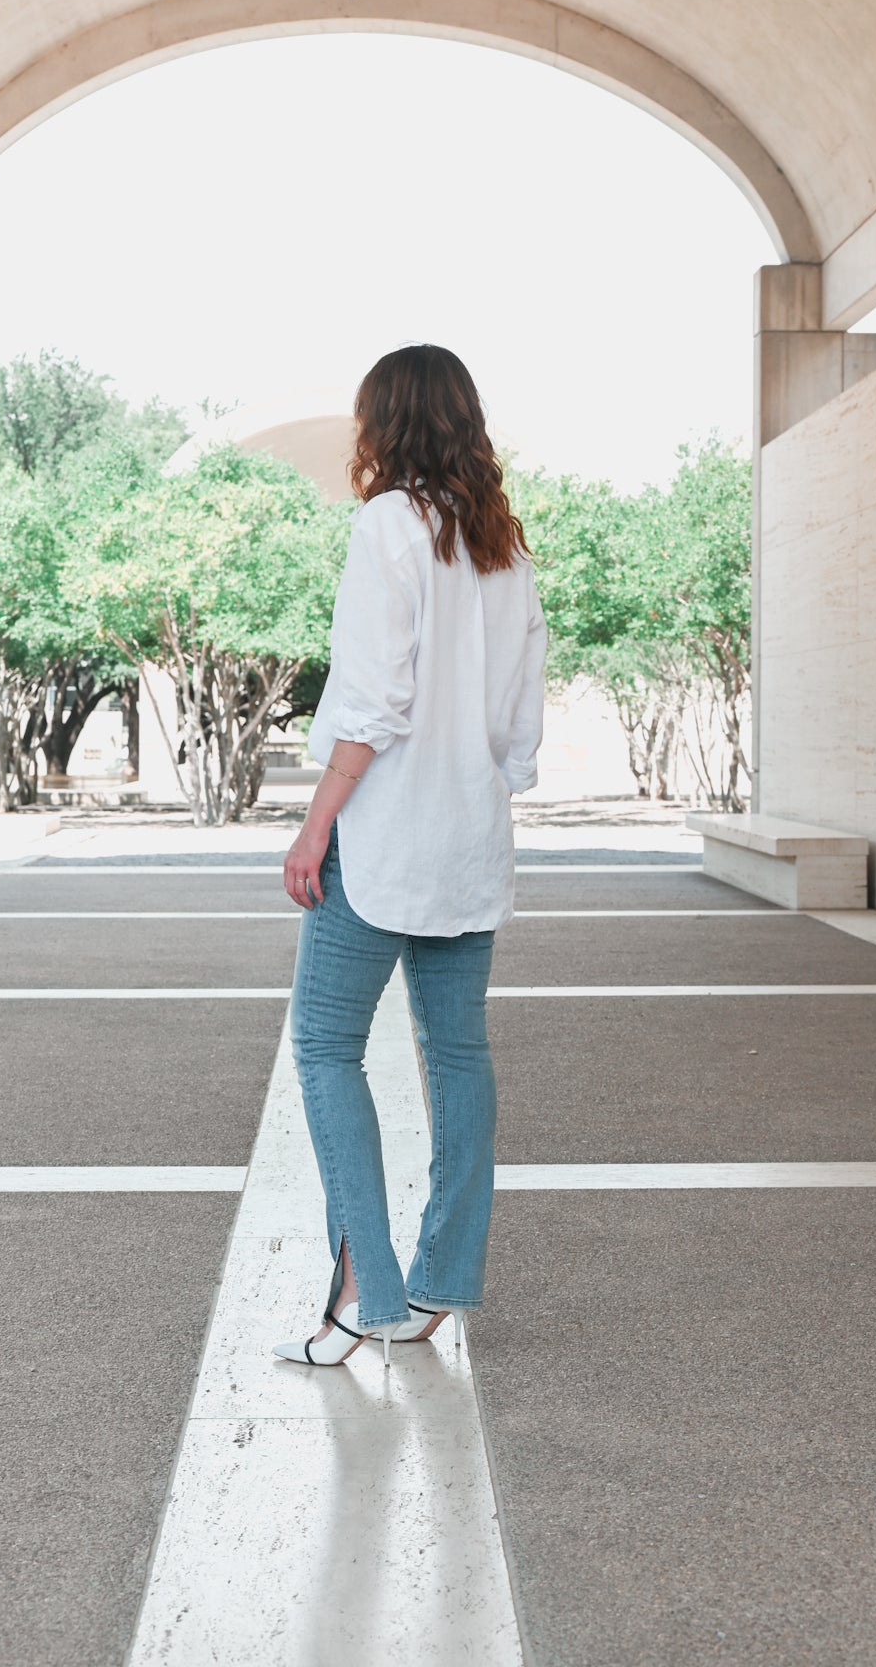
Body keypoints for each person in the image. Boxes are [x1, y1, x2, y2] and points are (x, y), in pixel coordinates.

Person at [273, 344, 547, 1367]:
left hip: (382, 834)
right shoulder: (503, 549)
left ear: (382, 422)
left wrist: (314, 823)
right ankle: (437, 1285)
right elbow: (519, 728)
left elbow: (370, 699)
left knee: (324, 1047)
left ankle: (364, 1290)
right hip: (469, 841)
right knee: (458, 1054)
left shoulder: (386, 525)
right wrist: (476, 785)